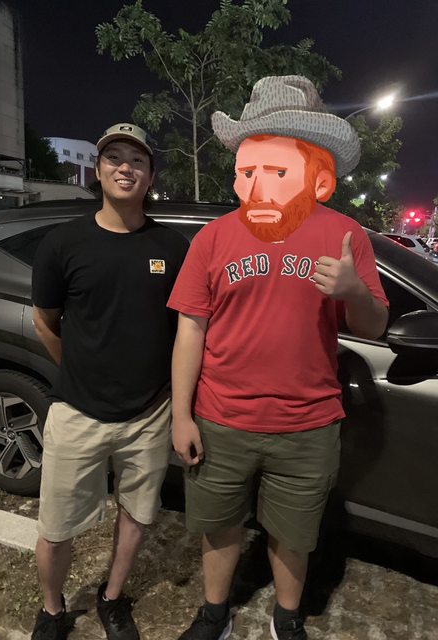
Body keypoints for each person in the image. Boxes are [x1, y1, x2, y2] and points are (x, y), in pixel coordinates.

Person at [167, 76, 389, 640]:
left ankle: (286, 619)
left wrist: (354, 293)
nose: (258, 185)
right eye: (248, 171)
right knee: (219, 527)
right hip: (220, 421)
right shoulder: (213, 239)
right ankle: (214, 613)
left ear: (318, 178)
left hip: (308, 425)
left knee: (293, 534)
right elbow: (190, 329)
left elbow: (374, 325)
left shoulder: (346, 237)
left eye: (275, 170)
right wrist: (181, 415)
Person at [30, 122, 189, 640]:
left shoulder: (172, 246)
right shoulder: (63, 243)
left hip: (150, 414)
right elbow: (45, 322)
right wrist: (78, 368)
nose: (126, 167)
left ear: (150, 176)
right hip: (77, 412)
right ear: (97, 171)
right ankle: (52, 609)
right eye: (114, 158)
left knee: (138, 515)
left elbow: (183, 331)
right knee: (56, 528)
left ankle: (113, 597)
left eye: (137, 160)